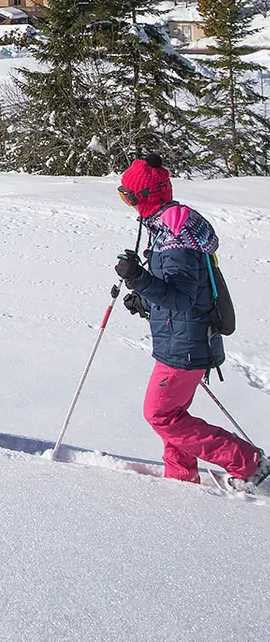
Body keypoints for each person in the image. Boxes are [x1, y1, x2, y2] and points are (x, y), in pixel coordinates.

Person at [115, 154, 268, 490]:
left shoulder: (174, 237)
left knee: (161, 415)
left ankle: (249, 465)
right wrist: (143, 300)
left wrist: (139, 279)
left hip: (184, 348)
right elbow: (182, 291)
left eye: (128, 196)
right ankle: (181, 482)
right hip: (184, 340)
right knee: (174, 417)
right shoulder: (171, 226)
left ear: (146, 196)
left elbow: (181, 299)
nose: (127, 203)